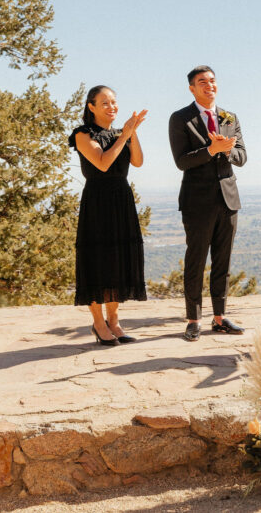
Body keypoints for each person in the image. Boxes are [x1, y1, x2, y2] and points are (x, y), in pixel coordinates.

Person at [168, 66, 247, 341]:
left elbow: (242, 156)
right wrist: (211, 150)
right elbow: (181, 161)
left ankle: (220, 317)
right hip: (196, 201)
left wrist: (227, 151)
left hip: (228, 198)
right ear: (192, 87)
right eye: (202, 82)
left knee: (222, 261)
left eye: (212, 80)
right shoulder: (180, 118)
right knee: (196, 260)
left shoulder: (229, 117)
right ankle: (193, 319)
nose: (209, 85)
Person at [68, 86, 148, 346]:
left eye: (114, 102)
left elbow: (137, 162)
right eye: (105, 102)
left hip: (121, 200)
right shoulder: (82, 134)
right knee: (96, 261)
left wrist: (131, 134)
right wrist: (124, 135)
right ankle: (99, 323)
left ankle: (114, 321)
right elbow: (102, 162)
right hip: (97, 202)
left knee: (118, 260)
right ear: (91, 106)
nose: (112, 106)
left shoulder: (120, 134)